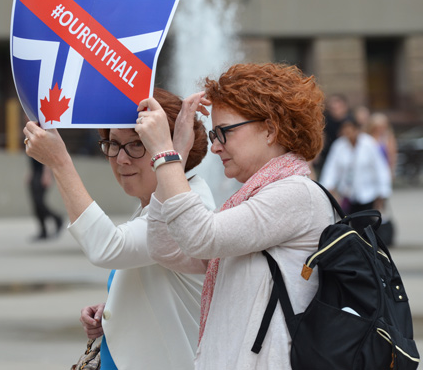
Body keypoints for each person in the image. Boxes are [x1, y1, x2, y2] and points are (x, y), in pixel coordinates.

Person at [135, 63, 335, 369]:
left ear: (270, 128)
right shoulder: (254, 196)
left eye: (224, 132)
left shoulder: (297, 194)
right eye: (213, 134)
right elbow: (165, 248)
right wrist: (178, 149)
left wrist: (165, 153)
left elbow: (201, 237)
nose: (214, 146)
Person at [23, 88, 215, 370]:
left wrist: (60, 162)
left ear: (167, 146)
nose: (121, 159)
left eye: (137, 144)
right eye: (113, 143)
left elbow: (107, 247)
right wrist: (115, 309)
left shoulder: (188, 208)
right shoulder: (153, 204)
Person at [319, 114, 392, 225]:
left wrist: (382, 192)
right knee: (352, 225)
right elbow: (331, 168)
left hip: (369, 193)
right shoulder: (339, 146)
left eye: (350, 130)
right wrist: (328, 187)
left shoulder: (369, 144)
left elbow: (380, 168)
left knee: (367, 225)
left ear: (356, 129)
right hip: (348, 194)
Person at [27, 157, 63, 241]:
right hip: (35, 172)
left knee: (39, 202)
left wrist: (47, 173)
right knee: (36, 205)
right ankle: (43, 231)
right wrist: (30, 172)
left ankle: (58, 219)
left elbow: (46, 155)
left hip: (42, 173)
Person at [313, 93, 350, 176]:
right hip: (328, 155)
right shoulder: (326, 121)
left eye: (338, 106)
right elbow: (322, 136)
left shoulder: (349, 121)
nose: (335, 109)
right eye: (333, 108)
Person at [367, 112, 398, 178]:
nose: (380, 129)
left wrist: (392, 170)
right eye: (377, 127)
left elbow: (392, 155)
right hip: (369, 170)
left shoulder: (388, 138)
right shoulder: (367, 138)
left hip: (384, 169)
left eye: (382, 127)